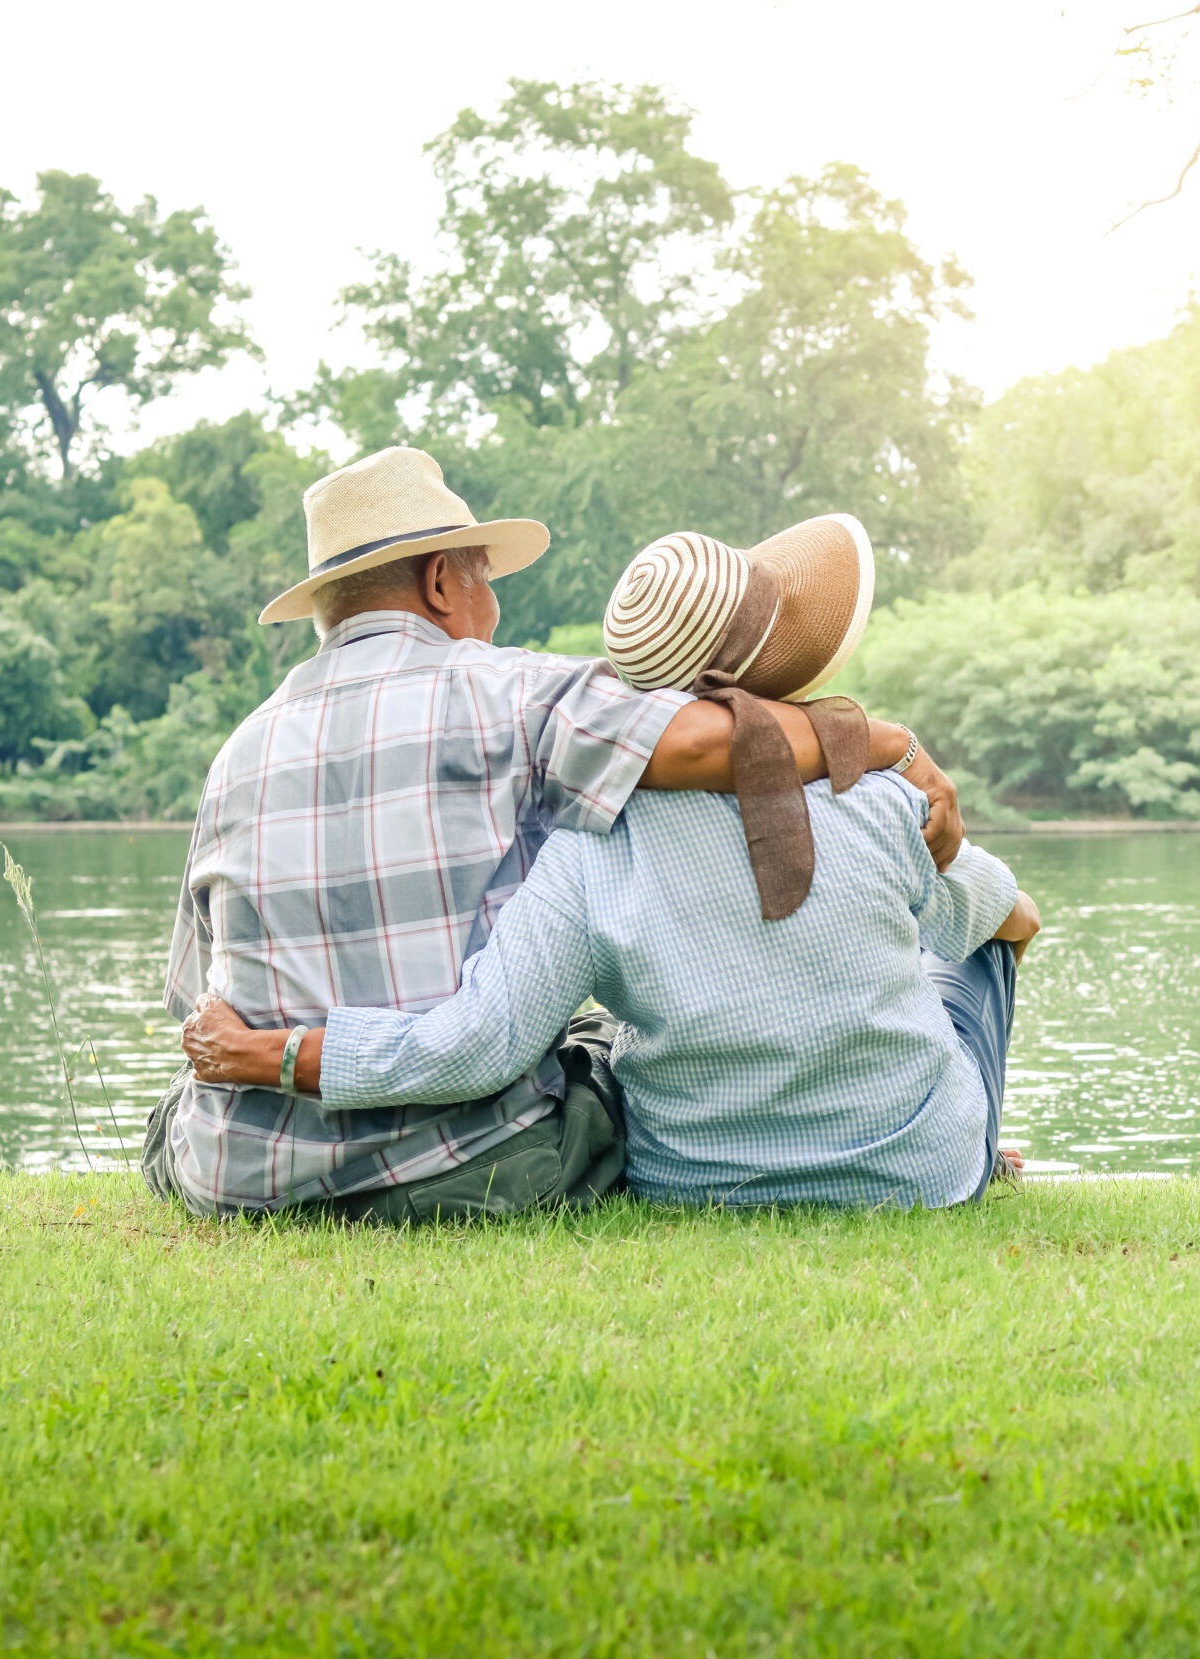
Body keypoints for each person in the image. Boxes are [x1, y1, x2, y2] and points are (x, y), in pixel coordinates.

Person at [148, 446, 963, 1222]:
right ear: (440, 581)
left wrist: (273, 1058)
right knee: (594, 1041)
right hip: (465, 1165)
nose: (492, 609)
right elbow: (702, 743)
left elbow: (196, 1001)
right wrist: (886, 743)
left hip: (244, 1173)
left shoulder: (238, 749)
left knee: (168, 1123)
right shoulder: (510, 691)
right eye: (486, 581)